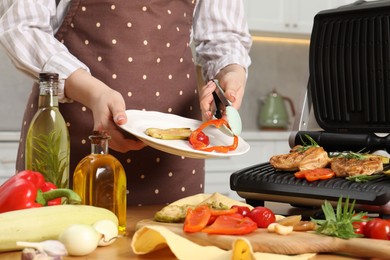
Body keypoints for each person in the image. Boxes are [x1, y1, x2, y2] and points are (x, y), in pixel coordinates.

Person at [0, 0, 252, 205]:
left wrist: (230, 74)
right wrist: (93, 93)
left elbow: (225, 37)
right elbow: (22, 27)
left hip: (174, 155)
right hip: (70, 136)